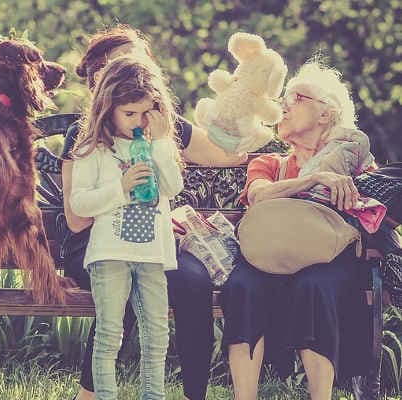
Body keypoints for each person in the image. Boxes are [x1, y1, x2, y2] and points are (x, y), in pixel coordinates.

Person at [62, 25, 247, 400]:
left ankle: (195, 393)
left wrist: (245, 110)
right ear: (104, 81)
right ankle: (91, 393)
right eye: (125, 63)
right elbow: (77, 218)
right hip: (93, 243)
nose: (137, 69)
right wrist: (123, 187)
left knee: (193, 283)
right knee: (123, 279)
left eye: (142, 61)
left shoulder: (163, 126)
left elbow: (228, 156)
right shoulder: (86, 136)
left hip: (153, 240)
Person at [222, 60, 372, 400]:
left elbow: (376, 211)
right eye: (285, 98)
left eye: (298, 97)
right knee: (243, 285)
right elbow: (258, 196)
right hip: (267, 256)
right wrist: (314, 179)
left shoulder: (353, 161)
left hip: (329, 260)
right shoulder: (272, 163)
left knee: (315, 285)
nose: (285, 105)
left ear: (326, 114)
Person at [68, 55, 185, 400]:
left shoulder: (154, 145)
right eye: (128, 113)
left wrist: (162, 142)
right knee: (109, 334)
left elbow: (173, 187)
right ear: (108, 107)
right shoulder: (93, 148)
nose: (137, 120)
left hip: (152, 254)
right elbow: (80, 203)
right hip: (109, 254)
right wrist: (120, 187)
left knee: (157, 334)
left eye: (144, 112)